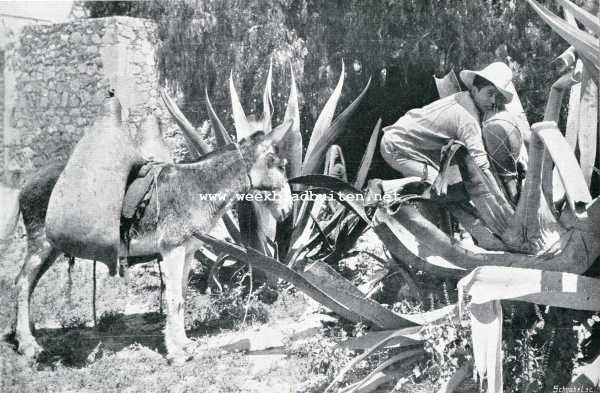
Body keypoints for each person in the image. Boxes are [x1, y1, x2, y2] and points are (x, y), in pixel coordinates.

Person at [380, 62, 518, 202]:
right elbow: (481, 164)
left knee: (442, 185)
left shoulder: (463, 98)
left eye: (497, 96)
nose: (493, 101)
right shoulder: (468, 118)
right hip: (397, 146)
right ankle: (382, 188)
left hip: (404, 141)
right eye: (490, 93)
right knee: (437, 187)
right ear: (475, 90)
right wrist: (501, 199)